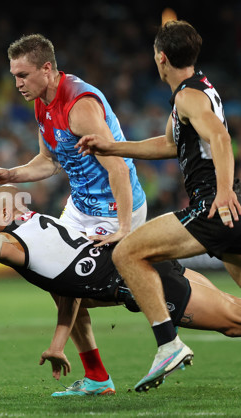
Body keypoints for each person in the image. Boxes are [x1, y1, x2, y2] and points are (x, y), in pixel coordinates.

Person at [0, 185, 241, 395]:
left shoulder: (12, 245)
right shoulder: (44, 223)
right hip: (147, 271)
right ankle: (98, 378)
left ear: (6, 212)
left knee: (234, 322)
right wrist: (58, 340)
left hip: (149, 284)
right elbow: (70, 290)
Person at [75, 20, 241, 392]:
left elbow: (220, 137)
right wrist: (111, 147)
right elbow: (168, 145)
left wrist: (224, 191)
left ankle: (168, 344)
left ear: (160, 58)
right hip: (227, 207)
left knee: (128, 252)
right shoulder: (195, 91)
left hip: (214, 205)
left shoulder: (187, 96)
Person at [0, 33, 147, 396]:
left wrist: (123, 227)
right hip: (80, 207)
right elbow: (49, 161)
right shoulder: (42, 102)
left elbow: (117, 166)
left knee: (75, 282)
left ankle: (146, 289)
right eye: (14, 75)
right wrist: (10, 174)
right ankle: (98, 378)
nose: (17, 83)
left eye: (22, 75)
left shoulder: (79, 104)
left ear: (47, 68)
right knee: (58, 280)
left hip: (115, 208)